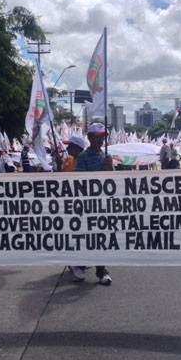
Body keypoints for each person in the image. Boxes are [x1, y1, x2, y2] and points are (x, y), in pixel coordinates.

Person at [72, 122, 113, 285]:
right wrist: (103, 170)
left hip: (102, 204)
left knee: (100, 238)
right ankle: (80, 265)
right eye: (98, 137)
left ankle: (101, 271)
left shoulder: (105, 155)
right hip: (88, 205)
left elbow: (111, 180)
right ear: (89, 137)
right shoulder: (83, 157)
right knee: (86, 237)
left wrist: (109, 169)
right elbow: (82, 183)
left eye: (103, 137)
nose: (101, 140)